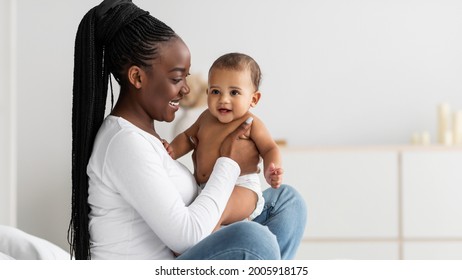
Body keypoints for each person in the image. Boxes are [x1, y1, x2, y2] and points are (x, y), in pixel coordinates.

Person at [69, 0, 307, 260]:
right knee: (255, 240)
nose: (186, 89)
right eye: (176, 78)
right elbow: (185, 239)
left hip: (194, 241)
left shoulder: (142, 137)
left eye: (186, 77)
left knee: (287, 201)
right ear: (137, 77)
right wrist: (229, 162)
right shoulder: (124, 143)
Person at [166, 53, 283, 231]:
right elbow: (186, 138)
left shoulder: (251, 123)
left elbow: (269, 148)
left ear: (254, 99)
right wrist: (170, 151)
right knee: (196, 212)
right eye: (216, 91)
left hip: (242, 188)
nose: (223, 99)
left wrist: (271, 169)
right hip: (206, 189)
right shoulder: (205, 117)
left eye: (234, 92)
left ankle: (194, 250)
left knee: (217, 211)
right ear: (207, 93)